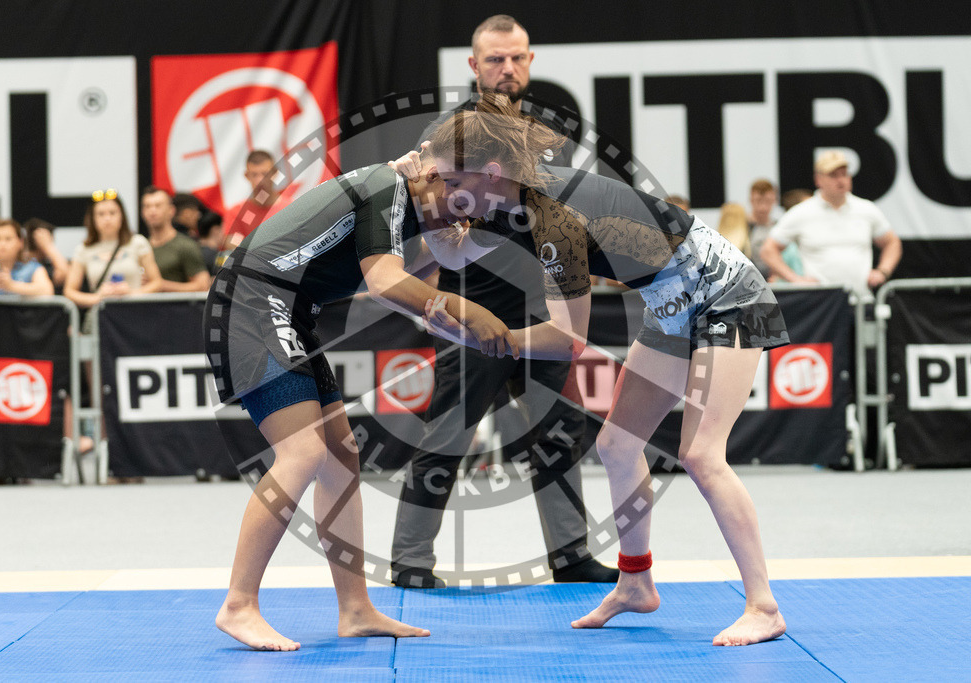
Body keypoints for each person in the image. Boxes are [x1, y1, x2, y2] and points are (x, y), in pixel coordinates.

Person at [411, 98, 789, 646]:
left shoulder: (553, 218)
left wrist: (494, 338)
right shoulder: (503, 200)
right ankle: (636, 583)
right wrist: (416, 201)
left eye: (449, 179)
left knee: (702, 454)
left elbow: (567, 339)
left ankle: (764, 606)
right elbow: (451, 258)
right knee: (616, 445)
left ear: (488, 174)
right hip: (672, 305)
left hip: (729, 297)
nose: (444, 191)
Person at [204, 160, 518, 651]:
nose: (458, 224)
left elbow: (421, 291)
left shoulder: (410, 211)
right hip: (253, 300)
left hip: (289, 312)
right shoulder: (388, 187)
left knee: (341, 454)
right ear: (433, 176)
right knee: (303, 453)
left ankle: (355, 609)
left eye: (469, 216)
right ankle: (239, 604)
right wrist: (470, 312)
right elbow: (386, 284)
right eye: (458, 207)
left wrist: (463, 322)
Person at [389, 14, 616, 590]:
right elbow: (428, 229)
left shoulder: (540, 134)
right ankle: (410, 562)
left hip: (543, 317)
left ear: (531, 61)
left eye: (516, 57)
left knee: (559, 434)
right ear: (473, 65)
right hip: (477, 313)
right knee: (446, 438)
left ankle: (570, 556)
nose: (507, 68)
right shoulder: (452, 135)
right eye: (495, 59)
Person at [760, 150, 902, 298]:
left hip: (861, 301)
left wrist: (883, 271)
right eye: (833, 175)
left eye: (844, 174)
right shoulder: (802, 212)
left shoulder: (866, 209)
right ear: (818, 179)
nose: (840, 180)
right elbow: (768, 250)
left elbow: (892, 242)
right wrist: (796, 280)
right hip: (821, 304)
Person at [140, 186, 210, 292]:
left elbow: (203, 285)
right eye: (147, 206)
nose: (152, 211)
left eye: (158, 206)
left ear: (171, 210)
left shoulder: (185, 245)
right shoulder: (141, 246)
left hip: (177, 308)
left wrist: (160, 285)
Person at [222, 150, 294, 250]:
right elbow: (232, 244)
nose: (260, 180)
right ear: (247, 176)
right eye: (254, 175)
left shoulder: (291, 208)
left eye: (265, 174)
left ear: (275, 173)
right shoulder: (237, 213)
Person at [22, 217, 70, 294]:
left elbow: (66, 277)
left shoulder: (47, 266)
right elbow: (64, 274)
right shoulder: (23, 266)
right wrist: (48, 246)